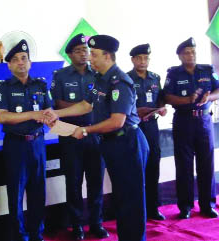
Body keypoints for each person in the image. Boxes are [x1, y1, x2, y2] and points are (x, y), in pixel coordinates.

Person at [44, 35, 148, 241]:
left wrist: (85, 131)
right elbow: (86, 104)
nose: (90, 58)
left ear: (107, 56)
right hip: (112, 143)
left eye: (94, 54)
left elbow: (117, 121)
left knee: (131, 199)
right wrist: (57, 114)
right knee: (122, 198)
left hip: (127, 142)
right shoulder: (101, 79)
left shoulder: (120, 81)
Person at [51, 33, 108, 240]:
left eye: (85, 50)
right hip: (70, 135)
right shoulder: (61, 76)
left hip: (95, 133)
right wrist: (84, 107)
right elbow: (58, 104)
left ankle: (96, 223)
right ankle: (76, 226)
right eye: (78, 51)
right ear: (69, 55)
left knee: (96, 182)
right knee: (73, 183)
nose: (83, 54)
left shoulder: (99, 74)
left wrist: (83, 106)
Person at [0, 39, 52, 241]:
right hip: (15, 145)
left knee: (38, 192)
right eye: (16, 59)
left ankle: (37, 234)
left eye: (24, 58)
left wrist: (51, 118)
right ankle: (19, 235)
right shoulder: (3, 87)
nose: (21, 62)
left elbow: (49, 111)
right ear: (9, 65)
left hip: (37, 143)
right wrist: (32, 115)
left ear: (30, 62)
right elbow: (3, 116)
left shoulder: (41, 84)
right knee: (16, 194)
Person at [163, 37, 219, 219]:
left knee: (206, 165)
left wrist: (209, 97)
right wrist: (186, 100)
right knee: (184, 166)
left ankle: (207, 205)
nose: (191, 55)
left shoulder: (207, 70)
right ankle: (185, 207)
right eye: (187, 52)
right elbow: (166, 97)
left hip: (204, 123)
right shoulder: (174, 74)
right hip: (183, 122)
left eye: (193, 52)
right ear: (180, 56)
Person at [127, 43, 167, 221]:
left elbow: (161, 100)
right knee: (135, 168)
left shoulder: (155, 78)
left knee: (153, 166)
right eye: (139, 58)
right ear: (133, 60)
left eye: (146, 58)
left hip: (151, 126)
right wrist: (138, 111)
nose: (143, 61)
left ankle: (153, 207)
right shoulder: (126, 79)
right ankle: (137, 209)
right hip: (133, 128)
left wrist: (161, 108)